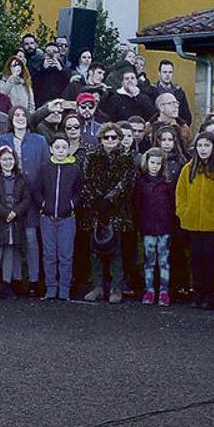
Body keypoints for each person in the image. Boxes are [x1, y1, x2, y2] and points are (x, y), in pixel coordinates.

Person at [79, 123, 135, 303]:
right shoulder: (92, 156)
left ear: (119, 139)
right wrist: (96, 201)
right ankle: (97, 287)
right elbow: (86, 181)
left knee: (116, 251)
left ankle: (115, 288)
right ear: (100, 139)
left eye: (114, 137)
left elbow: (126, 183)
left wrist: (109, 200)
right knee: (94, 250)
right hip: (95, 210)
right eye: (106, 137)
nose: (110, 141)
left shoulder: (126, 158)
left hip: (117, 210)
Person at [0, 106, 47, 295]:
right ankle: (15, 279)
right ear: (10, 118)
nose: (19, 118)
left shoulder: (39, 141)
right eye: (16, 115)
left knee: (32, 240)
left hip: (32, 198)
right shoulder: (3, 139)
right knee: (14, 241)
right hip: (10, 199)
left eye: (23, 115)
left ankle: (33, 280)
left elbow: (45, 169)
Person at [176, 133, 214, 309]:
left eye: (207, 145)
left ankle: (209, 293)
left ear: (213, 147)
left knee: (211, 260)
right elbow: (180, 193)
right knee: (196, 260)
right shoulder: (188, 168)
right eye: (200, 146)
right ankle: (198, 292)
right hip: (191, 223)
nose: (203, 149)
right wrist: (183, 212)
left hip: (212, 225)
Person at [33, 135, 82, 300]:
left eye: (64, 148)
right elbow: (36, 191)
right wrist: (44, 205)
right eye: (57, 147)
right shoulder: (45, 168)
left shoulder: (74, 169)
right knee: (49, 254)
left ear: (68, 150)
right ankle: (50, 288)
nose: (60, 151)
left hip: (67, 219)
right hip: (47, 219)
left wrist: (71, 205)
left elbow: (79, 192)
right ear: (51, 149)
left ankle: (64, 289)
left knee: (66, 255)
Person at [134, 147, 177, 305]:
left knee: (164, 260)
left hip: (165, 226)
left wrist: (173, 224)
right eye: (152, 162)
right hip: (148, 226)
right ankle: (149, 290)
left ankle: (164, 291)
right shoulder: (141, 181)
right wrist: (139, 223)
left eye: (158, 163)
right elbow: (137, 204)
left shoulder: (167, 182)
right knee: (149, 260)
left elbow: (173, 205)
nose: (155, 166)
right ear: (147, 162)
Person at [0, 145, 28, 298]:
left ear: (15, 160)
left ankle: (7, 284)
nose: (7, 162)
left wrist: (15, 212)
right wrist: (5, 214)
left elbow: (26, 199)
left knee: (10, 252)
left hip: (15, 220)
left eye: (10, 159)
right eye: (4, 159)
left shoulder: (21, 178)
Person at [154, 59, 192, 126]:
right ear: (159, 73)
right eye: (165, 72)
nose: (167, 75)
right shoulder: (152, 91)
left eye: (170, 72)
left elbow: (187, 116)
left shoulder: (179, 92)